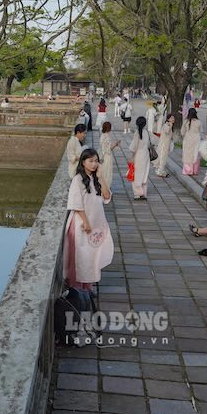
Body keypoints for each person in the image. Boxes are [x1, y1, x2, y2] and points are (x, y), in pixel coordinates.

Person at [63, 148, 114, 291]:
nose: (94, 164)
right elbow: (76, 203)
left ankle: (88, 287)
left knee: (92, 256)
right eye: (90, 161)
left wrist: (101, 177)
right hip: (82, 223)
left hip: (96, 222)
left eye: (96, 161)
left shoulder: (95, 178)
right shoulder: (78, 180)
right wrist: (85, 222)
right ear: (83, 162)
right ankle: (78, 288)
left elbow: (106, 196)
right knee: (81, 257)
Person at [128, 116, 151, 199]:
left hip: (138, 155)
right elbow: (149, 144)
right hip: (146, 155)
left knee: (137, 174)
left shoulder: (137, 133)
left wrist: (132, 157)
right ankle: (144, 193)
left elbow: (134, 147)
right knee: (144, 174)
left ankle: (138, 193)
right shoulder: (146, 132)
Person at [98, 121, 120, 191]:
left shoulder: (102, 135)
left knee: (103, 170)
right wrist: (115, 144)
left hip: (103, 155)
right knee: (107, 171)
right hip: (107, 156)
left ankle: (102, 185)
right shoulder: (107, 136)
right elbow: (108, 148)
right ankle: (106, 186)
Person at [180, 108, 202, 176]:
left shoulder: (186, 121)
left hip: (187, 139)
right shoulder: (198, 122)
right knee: (195, 154)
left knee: (187, 155)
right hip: (196, 139)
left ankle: (188, 170)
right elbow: (200, 131)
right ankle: (195, 171)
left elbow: (182, 132)